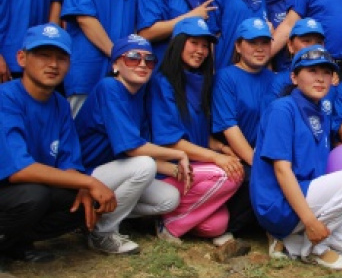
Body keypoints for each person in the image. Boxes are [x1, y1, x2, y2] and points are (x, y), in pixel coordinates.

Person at [0, 24, 116, 263]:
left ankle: (14, 244)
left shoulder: (60, 104)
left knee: (83, 200)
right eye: (43, 55)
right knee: (34, 195)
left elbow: (68, 162)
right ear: (22, 58)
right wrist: (88, 181)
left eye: (61, 58)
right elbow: (19, 171)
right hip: (14, 187)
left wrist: (82, 186)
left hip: (27, 191)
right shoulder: (6, 97)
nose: (53, 64)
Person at [250, 45, 342, 269]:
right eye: (312, 71)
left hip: (306, 195)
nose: (321, 78)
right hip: (278, 203)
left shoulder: (321, 113)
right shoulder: (282, 109)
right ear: (294, 77)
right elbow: (281, 171)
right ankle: (314, 249)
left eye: (326, 72)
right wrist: (310, 221)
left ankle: (289, 241)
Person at [75, 35, 185, 254]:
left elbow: (137, 152)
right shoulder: (110, 87)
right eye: (133, 58)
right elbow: (133, 149)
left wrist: (174, 169)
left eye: (149, 59)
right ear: (116, 64)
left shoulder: (138, 94)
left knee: (169, 199)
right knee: (145, 165)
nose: (142, 64)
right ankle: (101, 232)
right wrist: (180, 155)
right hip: (86, 176)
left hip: (115, 172)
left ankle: (95, 216)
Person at [149, 18, 242, 251]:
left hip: (198, 172)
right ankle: (169, 226)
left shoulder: (202, 81)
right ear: (178, 43)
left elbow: (197, 131)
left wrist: (221, 148)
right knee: (229, 176)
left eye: (205, 45)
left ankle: (171, 216)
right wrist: (216, 158)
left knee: (217, 226)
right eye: (194, 43)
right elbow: (171, 141)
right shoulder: (162, 83)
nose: (200, 51)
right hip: (172, 170)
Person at [212, 18, 276, 236]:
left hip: (268, 153)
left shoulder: (275, 79)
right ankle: (231, 230)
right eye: (252, 42)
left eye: (265, 42)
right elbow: (229, 128)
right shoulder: (226, 77)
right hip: (240, 154)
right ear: (238, 46)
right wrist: (258, 164)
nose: (259, 48)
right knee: (252, 179)